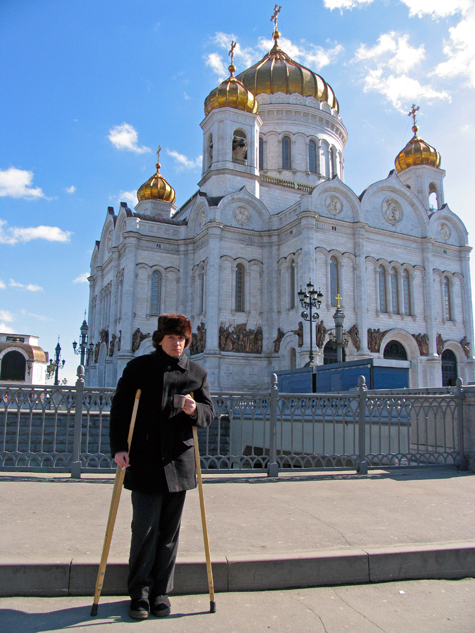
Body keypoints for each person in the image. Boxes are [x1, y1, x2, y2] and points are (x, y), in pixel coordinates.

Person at [109, 314, 214, 620]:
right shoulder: (139, 368)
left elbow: (209, 414)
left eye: (182, 339)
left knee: (169, 532)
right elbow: (120, 407)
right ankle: (139, 592)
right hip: (144, 460)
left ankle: (160, 593)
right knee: (144, 529)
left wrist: (196, 410)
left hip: (178, 463)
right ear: (160, 340)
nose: (177, 343)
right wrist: (119, 447)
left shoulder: (196, 373)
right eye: (171, 338)